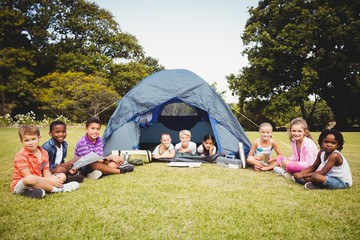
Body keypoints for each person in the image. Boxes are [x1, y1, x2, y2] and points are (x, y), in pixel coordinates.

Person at [11, 125, 80, 199]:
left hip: (40, 179)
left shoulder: (43, 152)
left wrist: (53, 179)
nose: (30, 143)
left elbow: (46, 170)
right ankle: (57, 189)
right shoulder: (21, 155)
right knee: (30, 179)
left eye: (33, 139)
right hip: (24, 183)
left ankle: (38, 190)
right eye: (26, 140)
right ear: (22, 141)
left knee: (62, 175)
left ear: (39, 138)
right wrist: (48, 180)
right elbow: (27, 176)